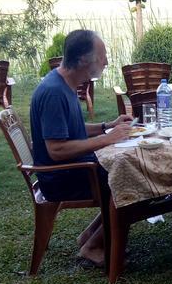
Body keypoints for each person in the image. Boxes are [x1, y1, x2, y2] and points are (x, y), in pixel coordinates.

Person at [30, 29, 133, 266]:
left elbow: (72, 128)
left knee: (120, 170)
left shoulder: (64, 84)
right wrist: (107, 139)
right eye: (102, 56)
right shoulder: (54, 92)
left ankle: (91, 236)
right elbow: (57, 149)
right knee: (126, 177)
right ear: (83, 60)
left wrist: (108, 126)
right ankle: (93, 246)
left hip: (71, 169)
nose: (106, 61)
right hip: (61, 178)